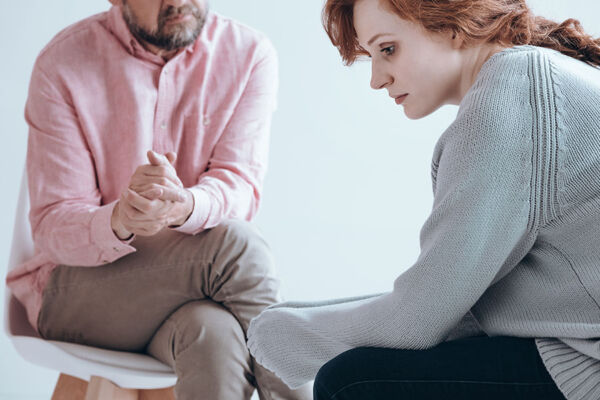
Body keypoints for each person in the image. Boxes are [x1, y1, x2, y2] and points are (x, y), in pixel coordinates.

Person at [246, 0, 600, 399]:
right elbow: (455, 304)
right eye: (371, 56)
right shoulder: (539, 75)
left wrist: (271, 335)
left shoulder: (510, 96)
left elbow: (419, 317)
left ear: (452, 25)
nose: (376, 79)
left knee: (353, 381)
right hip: (575, 351)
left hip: (588, 366)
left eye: (388, 49)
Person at [5, 0, 312, 399]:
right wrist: (121, 220)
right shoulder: (63, 62)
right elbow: (52, 227)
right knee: (237, 248)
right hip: (73, 292)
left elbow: (239, 186)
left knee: (214, 336)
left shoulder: (248, 54)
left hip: (189, 290)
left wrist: (184, 206)